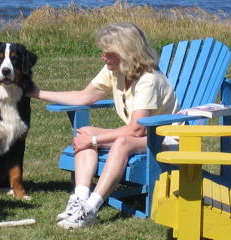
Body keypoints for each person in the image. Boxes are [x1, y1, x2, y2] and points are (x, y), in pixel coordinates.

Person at [26, 22, 180, 229]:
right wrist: (36, 93)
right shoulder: (115, 71)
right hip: (143, 135)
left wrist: (95, 140)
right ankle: (79, 199)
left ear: (126, 53)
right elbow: (84, 97)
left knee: (121, 141)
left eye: (108, 53)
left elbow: (137, 129)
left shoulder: (148, 80)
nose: (103, 57)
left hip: (166, 138)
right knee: (85, 132)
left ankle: (91, 208)